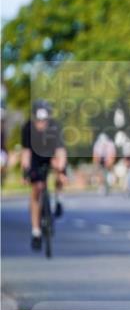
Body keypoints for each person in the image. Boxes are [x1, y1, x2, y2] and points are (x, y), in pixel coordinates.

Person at [20, 101, 67, 250]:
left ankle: (58, 200)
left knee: (59, 171)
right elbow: (26, 153)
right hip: (35, 157)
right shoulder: (27, 128)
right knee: (37, 188)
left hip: (50, 154)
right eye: (39, 121)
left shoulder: (54, 127)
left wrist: (62, 168)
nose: (42, 124)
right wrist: (26, 171)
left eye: (44, 120)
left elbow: (60, 150)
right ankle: (36, 231)